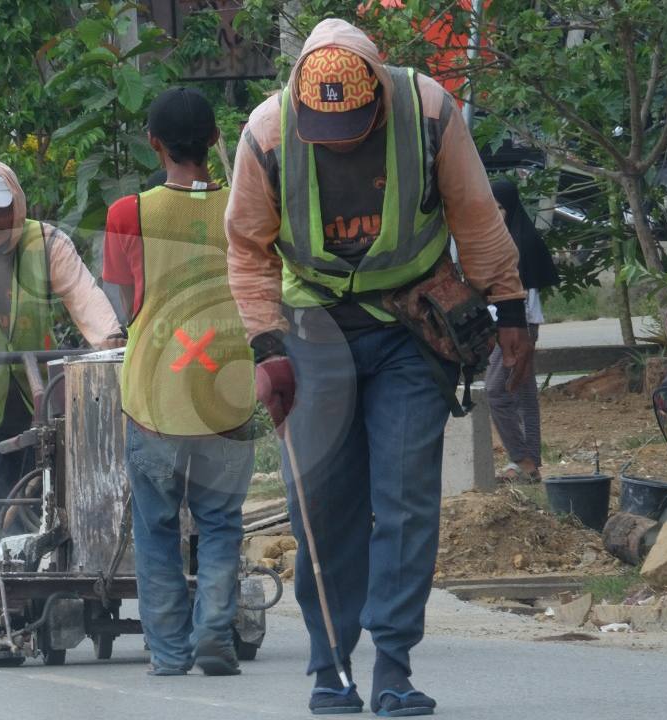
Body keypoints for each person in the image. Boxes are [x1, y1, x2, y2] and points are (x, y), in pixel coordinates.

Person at [225, 19, 534, 716]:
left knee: (404, 499)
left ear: (380, 96)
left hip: (408, 328)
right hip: (313, 330)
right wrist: (267, 347)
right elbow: (247, 250)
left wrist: (510, 309)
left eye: (356, 128)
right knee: (322, 512)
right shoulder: (267, 133)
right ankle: (330, 667)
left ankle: (392, 665)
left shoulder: (427, 110)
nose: (343, 143)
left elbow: (476, 216)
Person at [102, 88, 257, 677]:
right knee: (220, 522)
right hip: (228, 390)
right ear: (217, 140)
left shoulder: (128, 214)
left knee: (157, 527)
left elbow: (128, 300)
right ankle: (215, 631)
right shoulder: (243, 208)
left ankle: (169, 652)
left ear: (154, 142)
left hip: (152, 394)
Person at [0, 160, 123, 512]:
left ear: (16, 206)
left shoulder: (47, 241)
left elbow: (82, 293)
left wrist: (110, 340)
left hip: (31, 388)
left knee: (42, 497)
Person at [486, 178, 560, 484]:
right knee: (523, 393)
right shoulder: (499, 238)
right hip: (504, 325)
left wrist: (525, 335)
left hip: (519, 328)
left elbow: (527, 295)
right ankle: (529, 465)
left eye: (500, 207)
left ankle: (522, 458)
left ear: (511, 207)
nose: (495, 212)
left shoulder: (521, 243)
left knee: (496, 392)